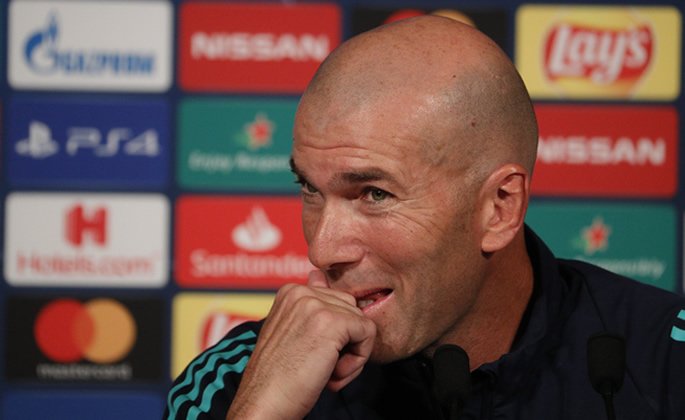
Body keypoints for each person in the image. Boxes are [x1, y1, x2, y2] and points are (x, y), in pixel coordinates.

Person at [165, 15, 685, 419]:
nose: (322, 249)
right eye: (310, 190)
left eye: (374, 194)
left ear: (499, 207)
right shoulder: (243, 379)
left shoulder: (665, 362)